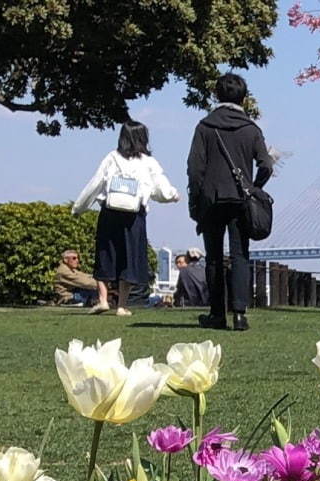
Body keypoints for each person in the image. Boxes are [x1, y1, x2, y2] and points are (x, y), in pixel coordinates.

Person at [187, 73, 273, 331]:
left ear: (217, 95)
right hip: (240, 200)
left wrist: (195, 199)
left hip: (211, 200)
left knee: (213, 258)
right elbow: (266, 165)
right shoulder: (251, 129)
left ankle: (216, 314)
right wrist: (254, 188)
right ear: (244, 98)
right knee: (240, 255)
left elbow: (194, 169)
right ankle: (239, 314)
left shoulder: (204, 127)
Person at [72, 121, 178, 317]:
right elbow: (160, 187)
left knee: (105, 255)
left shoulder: (112, 158)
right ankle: (122, 305)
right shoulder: (147, 162)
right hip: (134, 216)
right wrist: (172, 195)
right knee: (130, 258)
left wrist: (79, 207)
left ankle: (103, 299)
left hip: (110, 212)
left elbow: (95, 184)